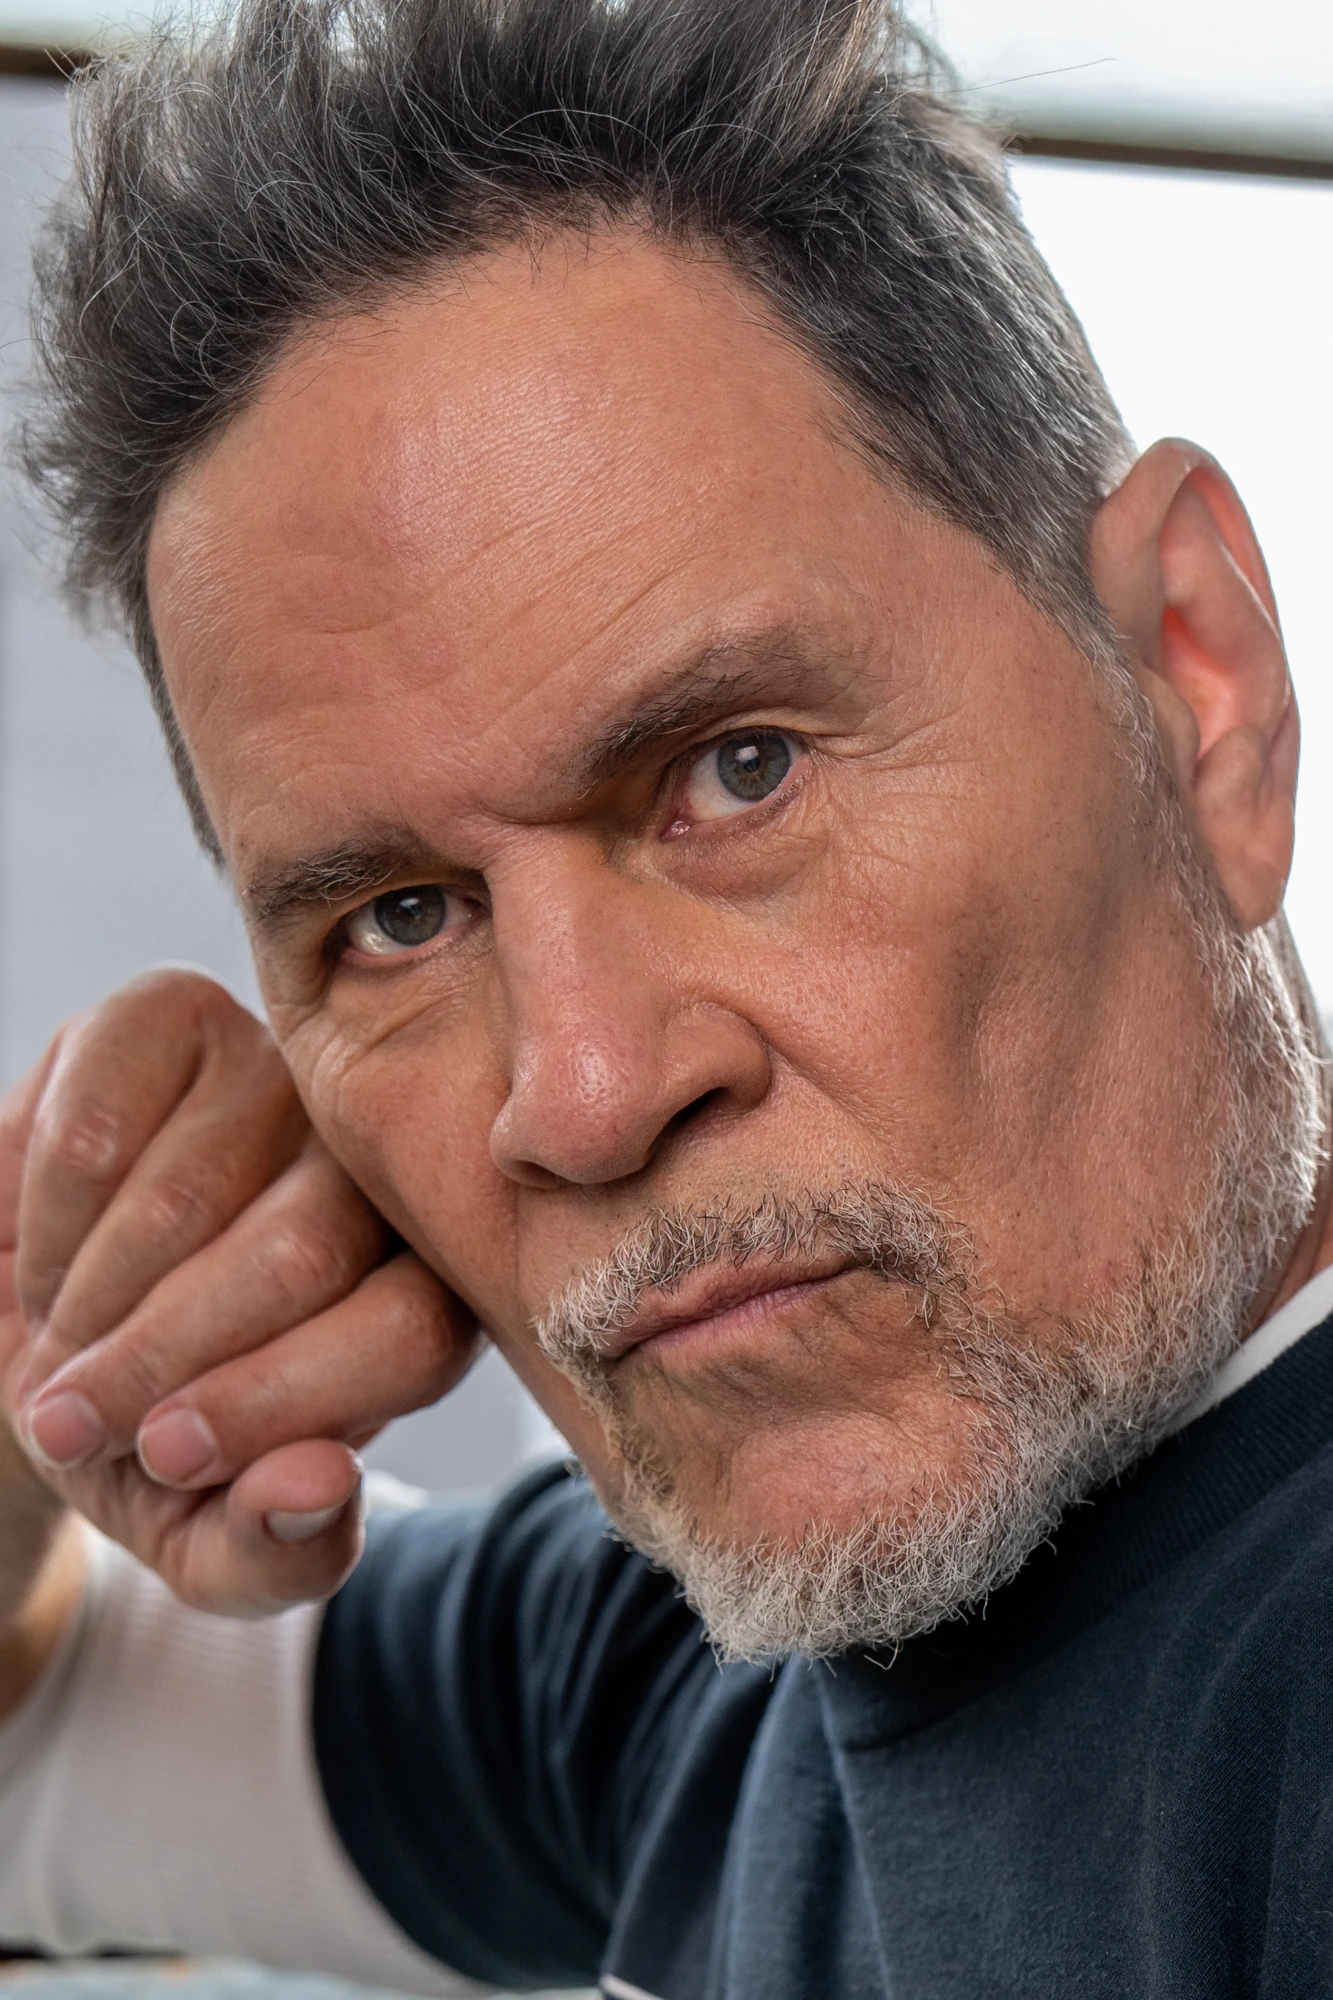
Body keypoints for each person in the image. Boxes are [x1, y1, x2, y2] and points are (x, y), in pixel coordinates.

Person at [1, 0, 1331, 1992]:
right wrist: (50, 1355)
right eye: (399, 920)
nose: (586, 1088)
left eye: (739, 769)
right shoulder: (692, 1672)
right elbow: (42, 1743)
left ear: (1196, 685)